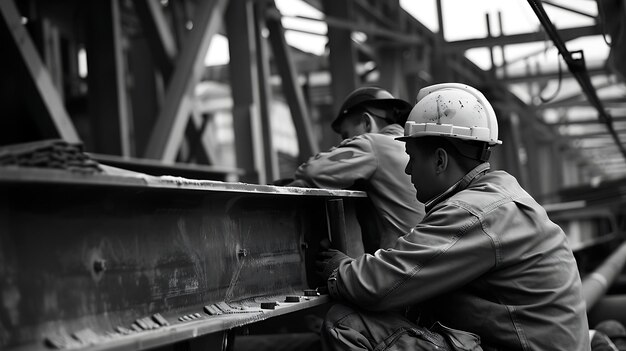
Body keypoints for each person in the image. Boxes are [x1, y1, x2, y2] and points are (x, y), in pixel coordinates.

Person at [315, 83, 590, 350]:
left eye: (412, 157)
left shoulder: (472, 213)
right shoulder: (498, 195)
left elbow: (380, 284)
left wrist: (339, 270)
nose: (408, 169)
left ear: (440, 160)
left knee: (345, 324)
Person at [287, 87, 425, 252]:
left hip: (402, 265)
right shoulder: (408, 145)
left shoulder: (373, 144)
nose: (345, 143)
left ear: (367, 122)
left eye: (347, 136)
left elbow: (311, 171)